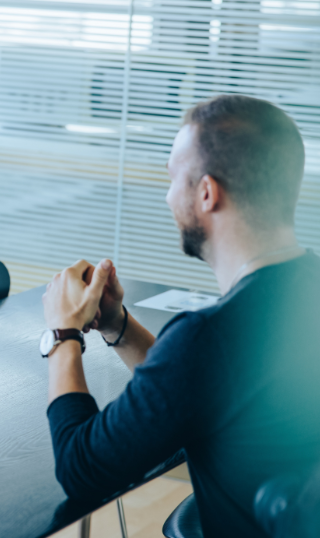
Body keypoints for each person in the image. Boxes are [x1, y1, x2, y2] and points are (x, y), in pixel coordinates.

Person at [40, 95, 320, 537]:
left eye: (173, 178)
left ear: (207, 193)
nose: (167, 194)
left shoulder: (212, 336)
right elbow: (198, 387)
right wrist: (117, 324)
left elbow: (81, 468)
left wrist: (62, 332)